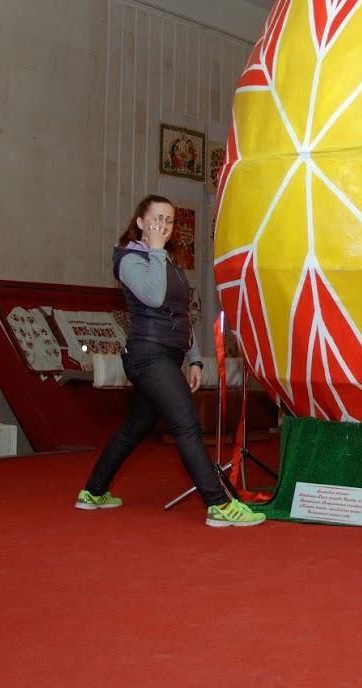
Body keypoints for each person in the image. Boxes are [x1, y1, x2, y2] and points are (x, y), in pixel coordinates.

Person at [77, 194, 266, 528]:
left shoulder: (167, 260)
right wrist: (153, 249)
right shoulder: (130, 258)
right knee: (187, 425)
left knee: (135, 427)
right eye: (156, 219)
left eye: (169, 220)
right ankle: (218, 503)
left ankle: (93, 491)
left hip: (169, 355)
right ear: (140, 222)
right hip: (147, 356)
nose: (163, 225)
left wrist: (193, 359)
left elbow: (183, 313)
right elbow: (151, 296)